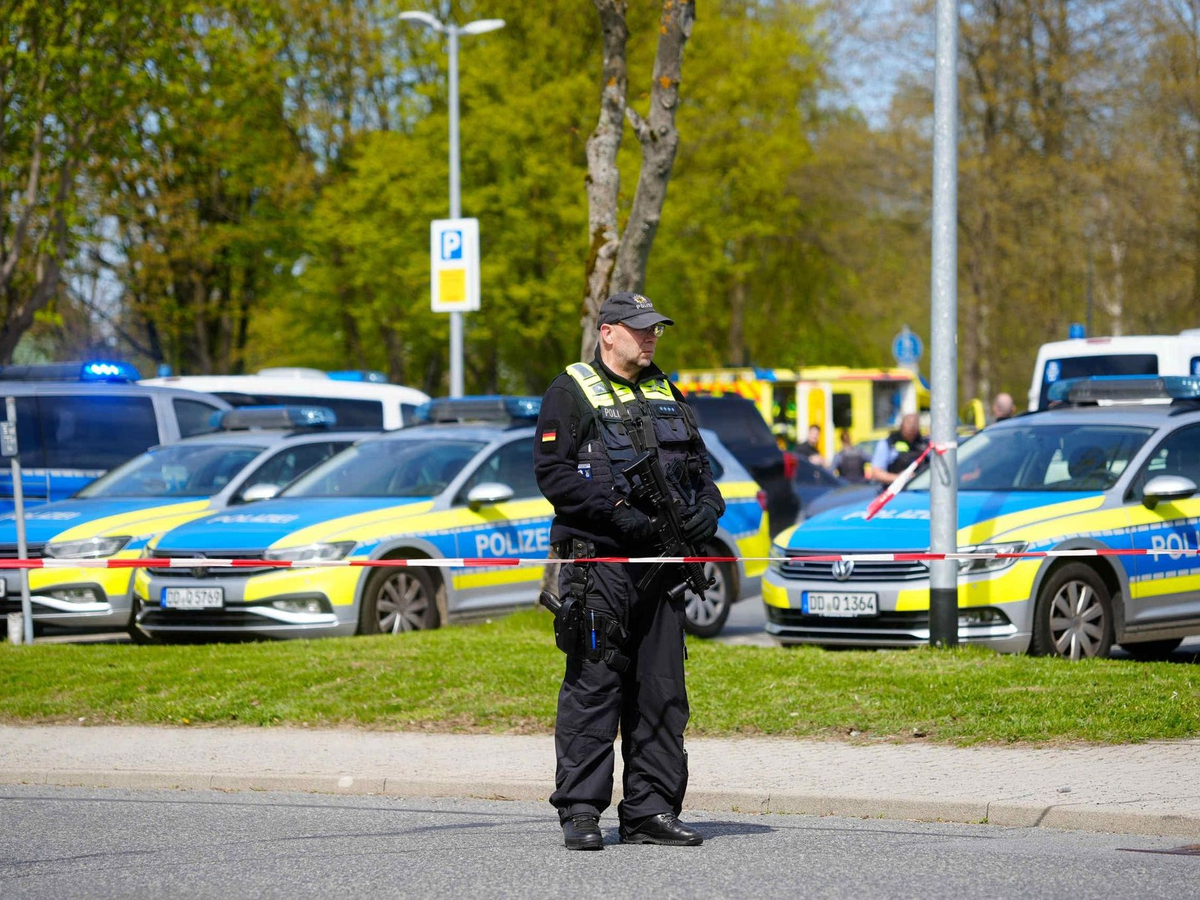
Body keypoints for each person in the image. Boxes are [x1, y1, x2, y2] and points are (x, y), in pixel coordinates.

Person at [534, 291, 723, 851]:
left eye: (655, 329)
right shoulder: (570, 391)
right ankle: (581, 811)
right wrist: (618, 514)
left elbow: (701, 469)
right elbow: (554, 475)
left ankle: (649, 811)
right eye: (640, 329)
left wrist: (708, 509)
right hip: (603, 567)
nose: (650, 338)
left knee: (662, 692)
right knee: (594, 688)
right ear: (608, 332)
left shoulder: (666, 390)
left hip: (662, 567)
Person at [870, 412, 929, 485]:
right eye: (909, 424)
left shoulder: (924, 443)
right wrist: (899, 478)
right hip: (895, 488)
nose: (911, 427)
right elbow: (876, 473)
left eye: (914, 425)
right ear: (902, 425)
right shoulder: (889, 443)